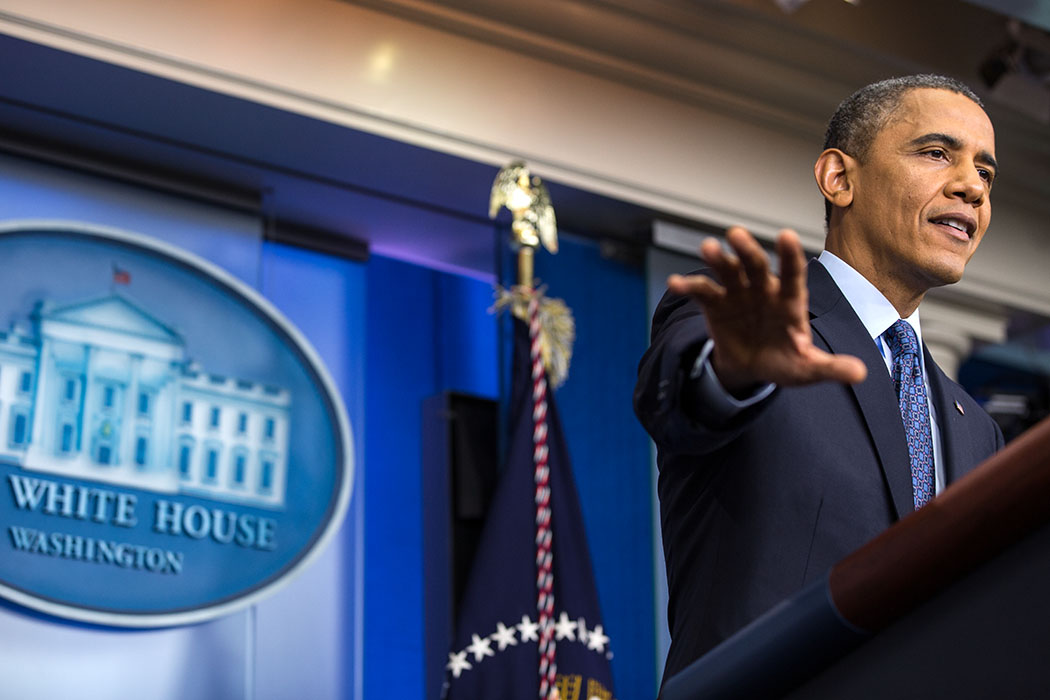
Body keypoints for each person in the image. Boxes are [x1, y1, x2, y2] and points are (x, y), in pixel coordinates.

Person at [633, 74, 1005, 683]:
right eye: (937, 154)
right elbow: (680, 400)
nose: (971, 187)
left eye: (985, 174)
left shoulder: (976, 429)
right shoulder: (750, 319)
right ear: (840, 178)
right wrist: (733, 375)